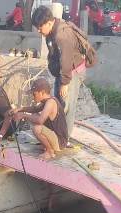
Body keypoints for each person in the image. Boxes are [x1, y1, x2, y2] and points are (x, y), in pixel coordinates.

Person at [32, 6, 87, 139]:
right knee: (58, 103)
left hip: (71, 72)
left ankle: (63, 139)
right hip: (62, 72)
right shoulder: (50, 32)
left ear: (49, 22)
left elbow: (67, 59)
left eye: (40, 27)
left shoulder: (62, 35)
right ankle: (57, 133)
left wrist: (65, 83)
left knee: (66, 106)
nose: (39, 30)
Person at [12, 78, 68, 161]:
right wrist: (20, 109)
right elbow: (34, 109)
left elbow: (40, 120)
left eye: (34, 94)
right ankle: (48, 146)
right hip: (55, 137)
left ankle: (50, 151)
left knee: (37, 128)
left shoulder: (50, 103)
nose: (33, 97)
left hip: (60, 142)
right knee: (35, 115)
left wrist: (24, 115)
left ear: (42, 92)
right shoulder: (47, 101)